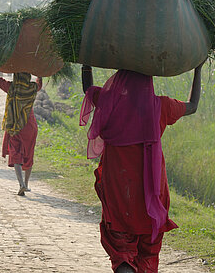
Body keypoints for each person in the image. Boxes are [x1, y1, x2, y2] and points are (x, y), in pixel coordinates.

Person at [80, 62, 204, 273]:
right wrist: (198, 69)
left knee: (121, 251)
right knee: (147, 254)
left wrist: (86, 63)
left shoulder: (110, 102)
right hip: (151, 194)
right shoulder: (161, 106)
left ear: (120, 80)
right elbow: (192, 106)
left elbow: (88, 90)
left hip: (119, 190)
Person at [0, 69, 43, 196]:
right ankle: (26, 183)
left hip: (14, 126)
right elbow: (39, 83)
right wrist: (40, 73)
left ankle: (21, 184)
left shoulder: (11, 87)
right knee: (29, 153)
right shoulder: (33, 87)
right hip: (29, 126)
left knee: (16, 154)